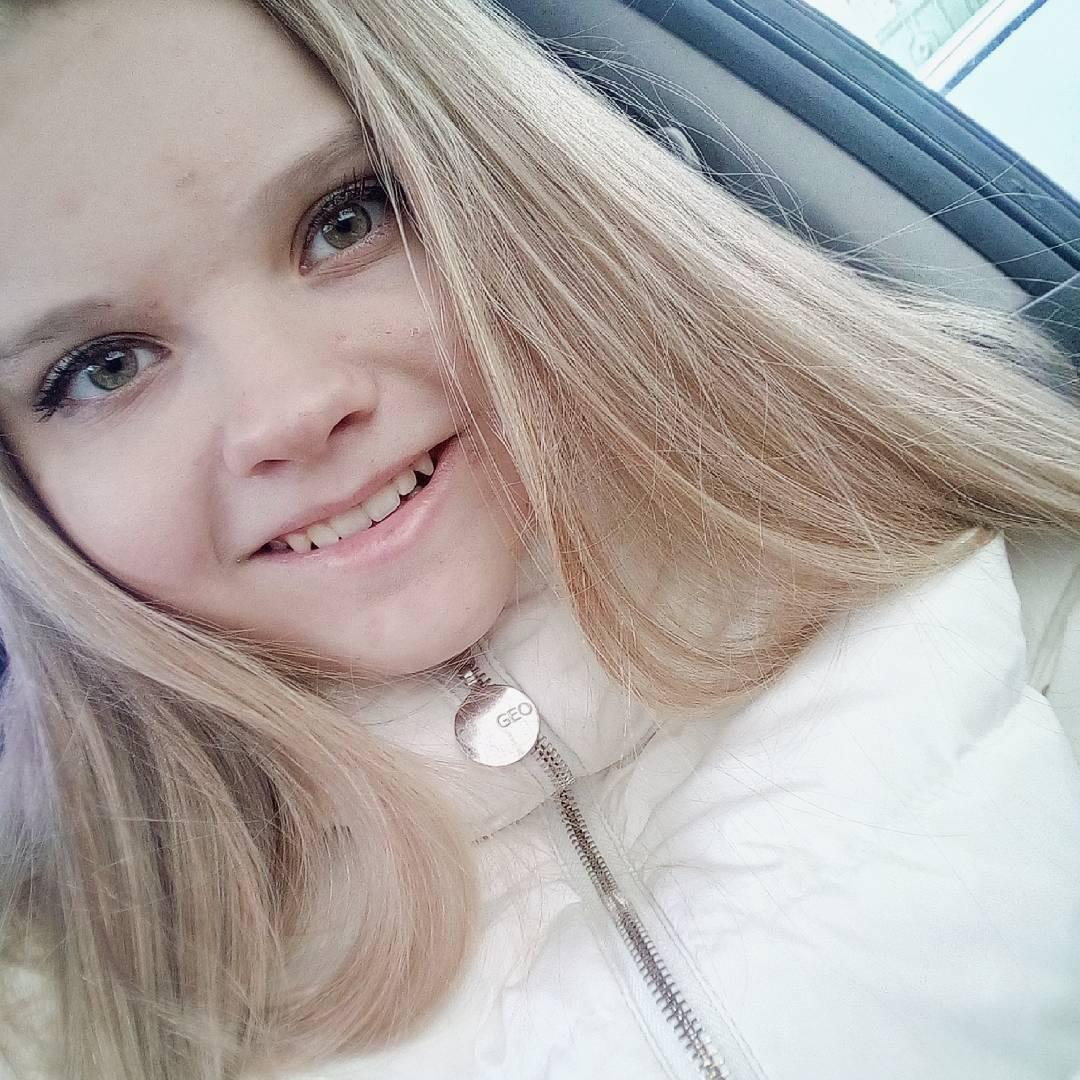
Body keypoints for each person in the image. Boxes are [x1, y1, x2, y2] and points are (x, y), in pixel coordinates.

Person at [0, 0, 1077, 1077]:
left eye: (348, 220)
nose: (292, 409)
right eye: (102, 368)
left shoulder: (940, 534)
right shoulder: (59, 1011)